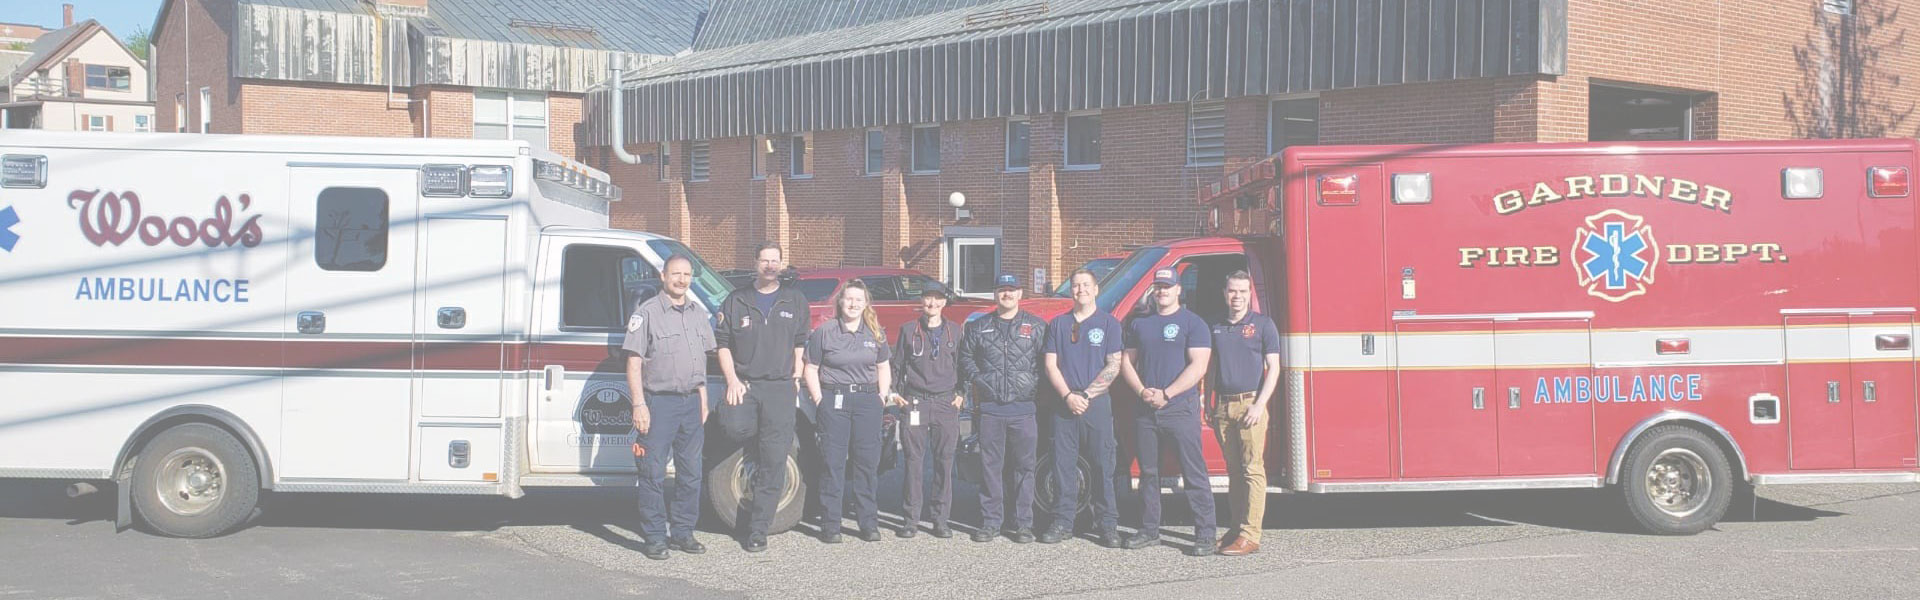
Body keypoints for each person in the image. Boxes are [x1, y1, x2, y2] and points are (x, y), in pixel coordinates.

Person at [714, 242, 811, 553]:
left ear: (781, 264)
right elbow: (724, 344)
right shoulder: (736, 299)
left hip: (781, 388)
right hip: (746, 384)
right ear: (755, 263)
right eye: (764, 260)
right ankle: (755, 438)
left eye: (775, 261)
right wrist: (731, 380)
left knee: (774, 459)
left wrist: (796, 373)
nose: (770, 265)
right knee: (733, 428)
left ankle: (758, 529)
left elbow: (800, 341)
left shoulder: (794, 300)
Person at [1119, 268, 1218, 557]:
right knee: (1149, 473)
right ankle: (1150, 530)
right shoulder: (1140, 325)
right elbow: (1127, 362)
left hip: (1179, 409)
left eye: (1168, 286)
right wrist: (1142, 392)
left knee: (1194, 472)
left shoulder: (1194, 323)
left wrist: (1168, 393)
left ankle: (1206, 534)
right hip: (1146, 408)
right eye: (1158, 287)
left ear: (1178, 290)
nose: (1162, 291)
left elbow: (1198, 366)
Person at [623, 255, 716, 560]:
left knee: (692, 473)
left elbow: (700, 360)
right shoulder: (647, 313)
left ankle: (683, 533)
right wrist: (639, 404)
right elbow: (634, 362)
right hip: (658, 403)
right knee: (652, 472)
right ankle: (653, 537)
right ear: (663, 275)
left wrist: (702, 397)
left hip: (691, 403)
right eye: (676, 273)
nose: (681, 279)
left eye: (687, 274)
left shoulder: (697, 313)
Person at [1038, 269, 1125, 548]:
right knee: (1063, 465)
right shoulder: (1058, 325)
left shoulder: (1110, 324)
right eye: (1076, 285)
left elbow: (1114, 365)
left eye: (1086, 285)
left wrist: (1086, 394)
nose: (1080, 290)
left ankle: (1107, 524)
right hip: (1064, 405)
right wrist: (1067, 396)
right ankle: (1063, 521)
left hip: (1096, 404)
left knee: (1103, 464)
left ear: (1096, 289)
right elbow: (1050, 365)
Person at [958, 274, 1048, 543]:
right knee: (990, 467)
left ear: (1020, 294)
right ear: (994, 294)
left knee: (1025, 468)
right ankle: (991, 521)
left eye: (1011, 290)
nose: (1006, 295)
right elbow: (966, 358)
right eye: (1001, 290)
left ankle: (1023, 524)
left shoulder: (1036, 326)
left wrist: (1032, 382)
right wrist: (980, 380)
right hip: (991, 410)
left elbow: (1048, 362)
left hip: (1024, 409)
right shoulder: (979, 327)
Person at [803, 280, 893, 543]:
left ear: (866, 304)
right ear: (840, 302)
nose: (853, 304)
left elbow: (883, 365)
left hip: (867, 402)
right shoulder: (826, 332)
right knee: (833, 463)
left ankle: (868, 523)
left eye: (859, 300)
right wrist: (820, 400)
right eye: (849, 299)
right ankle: (830, 525)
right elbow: (810, 368)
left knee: (866, 464)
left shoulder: (875, 332)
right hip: (835, 400)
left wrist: (881, 396)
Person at [1208, 271, 1282, 556]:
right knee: (1234, 472)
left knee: (1252, 470)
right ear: (1224, 293)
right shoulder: (1216, 326)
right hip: (1223, 407)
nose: (1236, 297)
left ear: (1250, 294)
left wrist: (1260, 404)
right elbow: (1212, 367)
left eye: (1242, 291)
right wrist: (1208, 403)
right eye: (1231, 291)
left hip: (1251, 405)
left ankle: (1251, 535)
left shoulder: (1263, 325)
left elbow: (1273, 368)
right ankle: (1236, 529)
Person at [889, 286, 965, 539]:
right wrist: (895, 393)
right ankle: (911, 519)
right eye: (928, 298)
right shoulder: (909, 330)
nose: (932, 303)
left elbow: (963, 365)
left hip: (945, 403)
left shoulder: (955, 331)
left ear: (945, 302)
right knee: (913, 462)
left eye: (938, 298)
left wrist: (961, 393)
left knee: (944, 462)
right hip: (916, 402)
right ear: (922, 301)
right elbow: (897, 364)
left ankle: (940, 519)